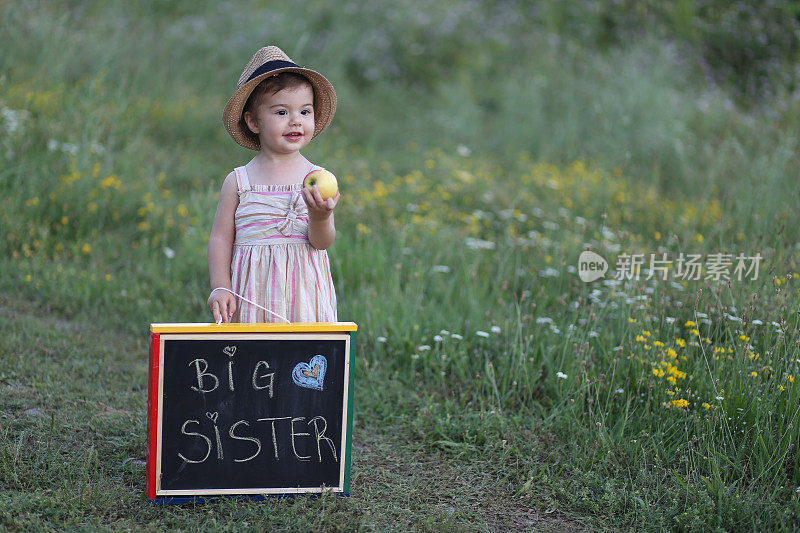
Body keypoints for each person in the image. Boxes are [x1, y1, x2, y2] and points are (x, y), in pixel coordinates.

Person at [207, 45, 339, 324]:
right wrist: (220, 286)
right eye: (281, 112)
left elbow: (322, 242)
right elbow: (220, 238)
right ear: (253, 122)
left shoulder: (317, 178)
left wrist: (321, 216)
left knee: (300, 363)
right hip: (252, 299)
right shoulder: (239, 181)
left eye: (305, 111)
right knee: (256, 363)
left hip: (305, 300)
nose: (295, 121)